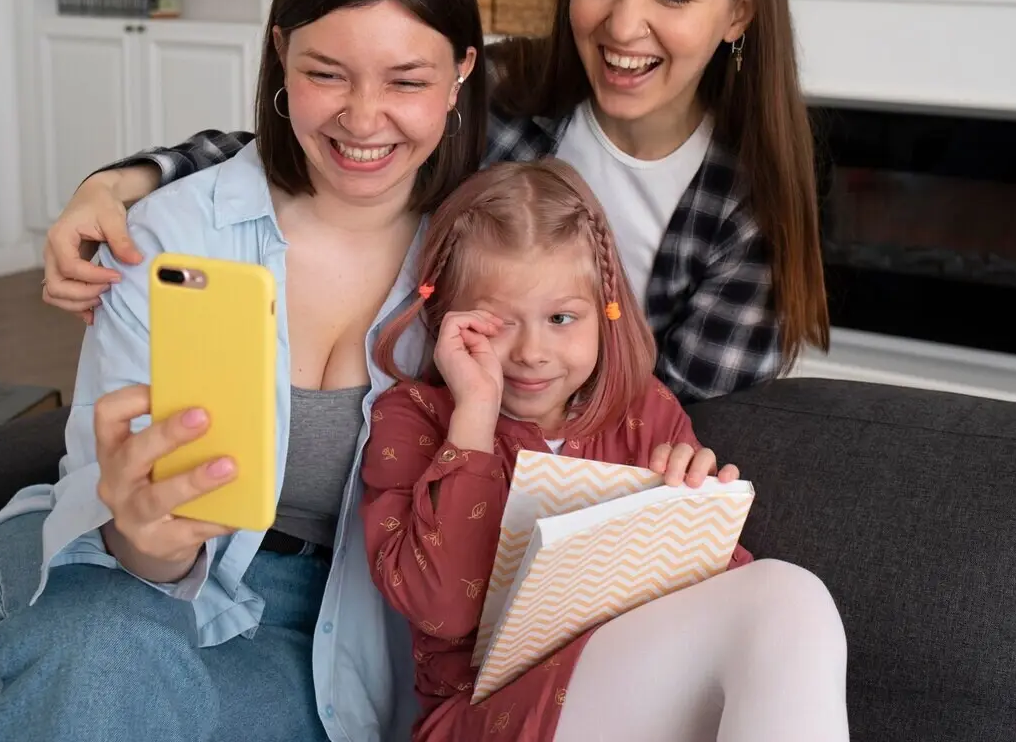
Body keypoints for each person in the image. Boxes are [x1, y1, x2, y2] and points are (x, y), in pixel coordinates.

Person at [0, 0, 489, 742]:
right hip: (97, 570)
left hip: (321, 627)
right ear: (280, 56)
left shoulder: (479, 262)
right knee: (105, 655)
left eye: (406, 81)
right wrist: (149, 542)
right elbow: (104, 496)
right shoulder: (171, 232)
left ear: (461, 75)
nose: (363, 118)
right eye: (326, 73)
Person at [38, 0, 831, 404]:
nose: (623, 27)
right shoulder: (512, 100)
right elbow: (331, 138)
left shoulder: (749, 199)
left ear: (739, 12)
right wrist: (123, 180)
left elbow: (684, 416)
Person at [361, 159, 848, 742]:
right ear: (448, 321)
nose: (532, 353)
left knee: (789, 596)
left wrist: (694, 511)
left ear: (606, 312)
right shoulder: (414, 417)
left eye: (561, 318)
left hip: (632, 703)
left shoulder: (645, 412)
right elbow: (443, 607)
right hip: (481, 718)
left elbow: (724, 617)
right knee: (785, 599)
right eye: (499, 325)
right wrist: (473, 418)